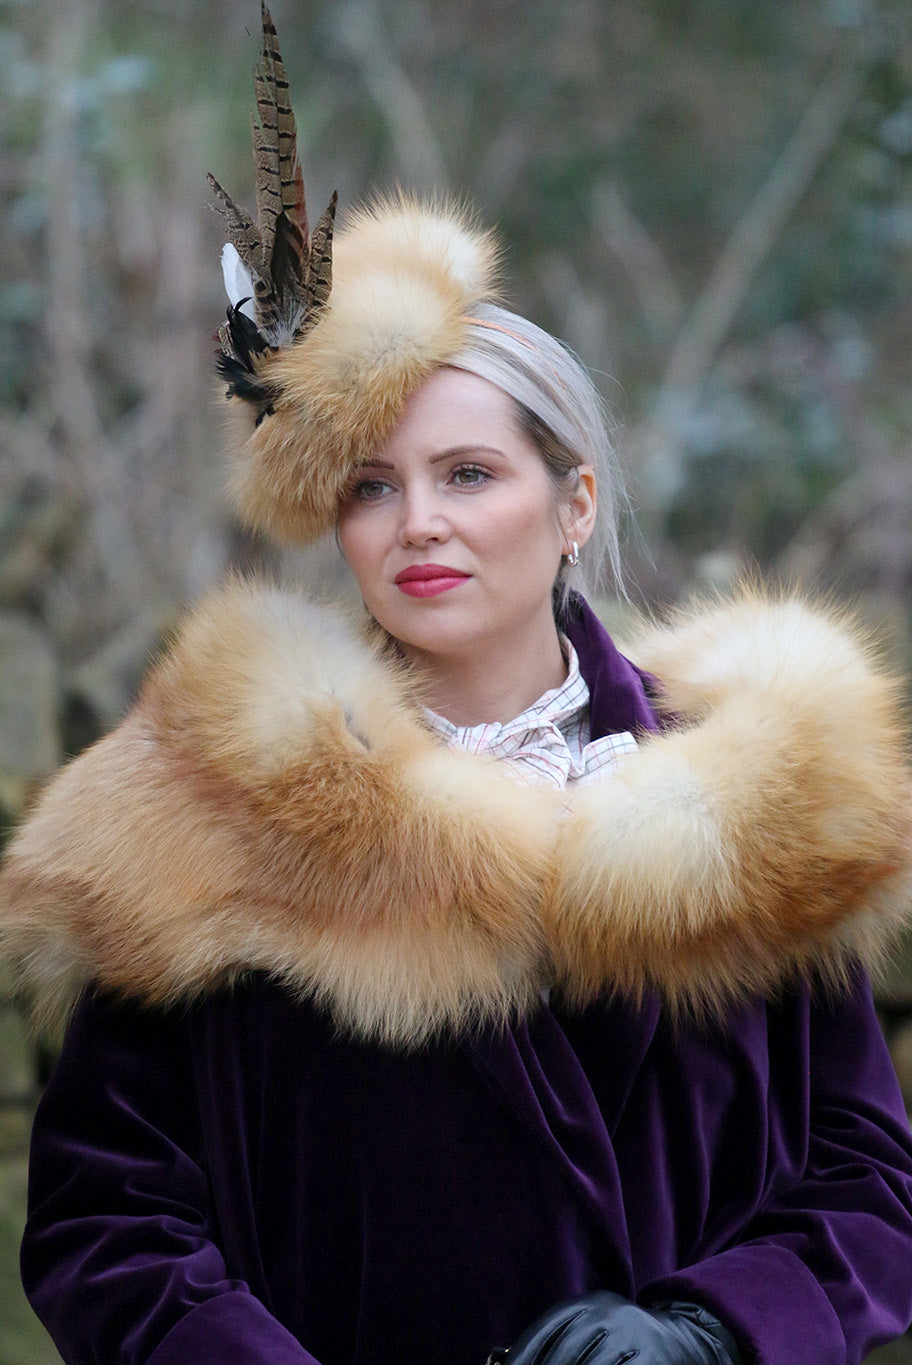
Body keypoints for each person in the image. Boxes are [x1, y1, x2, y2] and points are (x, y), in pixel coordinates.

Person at [3, 8, 912, 1363]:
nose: (417, 522)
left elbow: (872, 1189)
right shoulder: (206, 809)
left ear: (572, 501)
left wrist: (711, 1333)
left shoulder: (764, 801)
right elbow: (105, 1214)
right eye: (373, 487)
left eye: (469, 475)